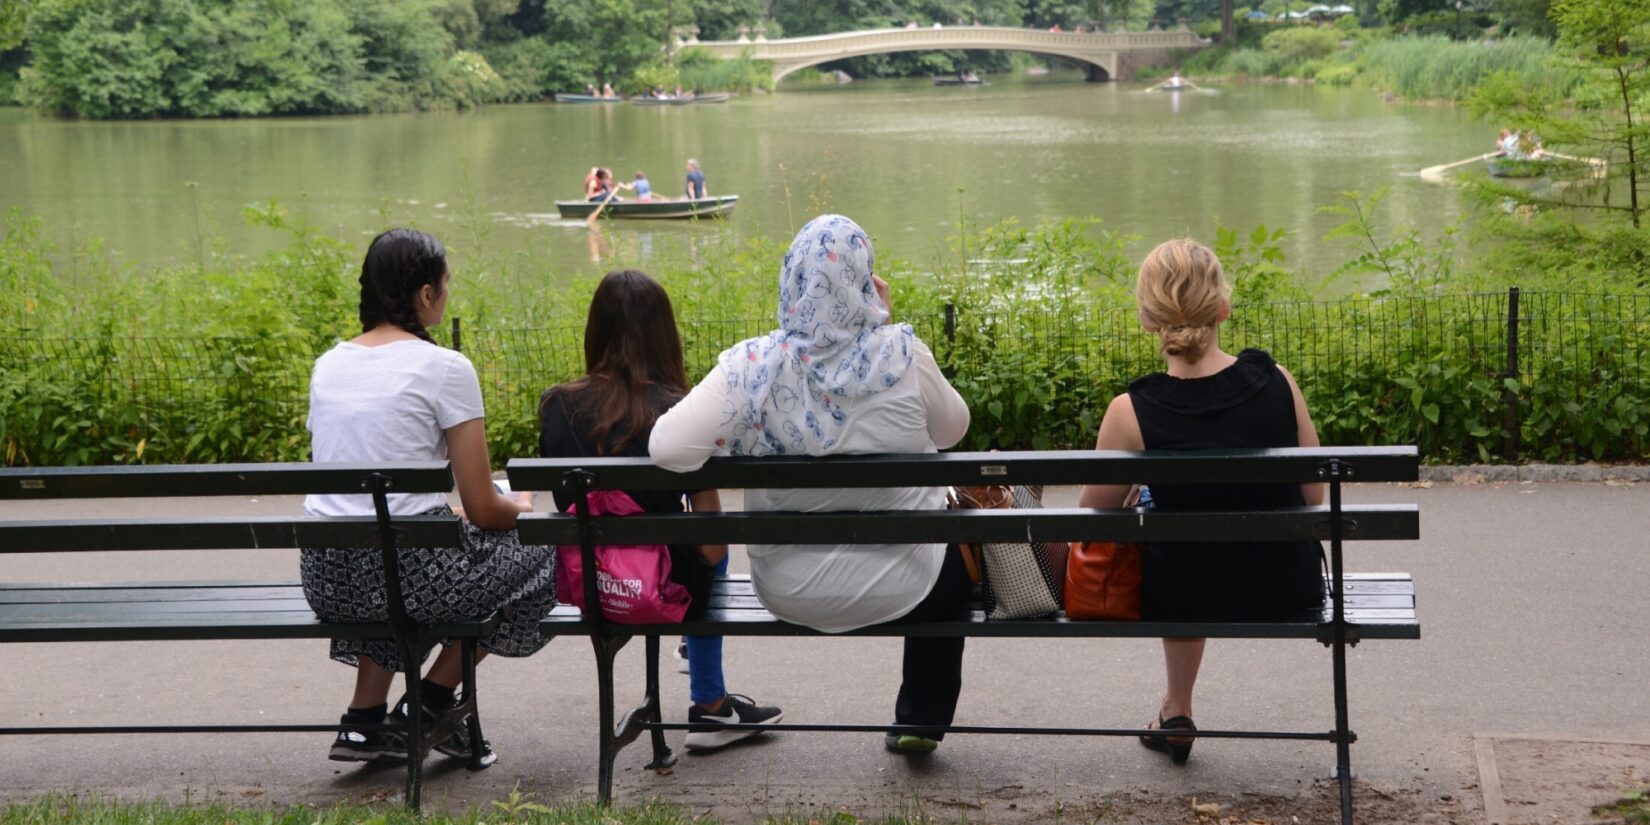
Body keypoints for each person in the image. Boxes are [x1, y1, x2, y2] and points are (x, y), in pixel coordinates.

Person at [649, 214, 972, 755]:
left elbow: (666, 448)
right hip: (910, 588)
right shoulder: (903, 355)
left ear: (791, 283)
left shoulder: (750, 367)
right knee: (956, 542)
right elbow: (953, 430)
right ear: (865, 281)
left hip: (789, 589)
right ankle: (921, 717)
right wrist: (881, 327)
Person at [300, 228, 555, 766]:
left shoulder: (328, 365)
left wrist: (453, 513)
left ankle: (364, 721)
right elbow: (486, 509)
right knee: (548, 555)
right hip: (409, 573)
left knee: (395, 553)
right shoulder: (444, 368)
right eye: (445, 284)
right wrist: (521, 507)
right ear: (424, 295)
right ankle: (430, 704)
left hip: (328, 577)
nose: (446, 293)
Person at [1077, 238, 1325, 766]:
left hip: (1185, 592)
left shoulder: (1132, 409)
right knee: (1187, 546)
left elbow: (1092, 514)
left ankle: (1177, 711)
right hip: (1286, 584)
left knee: (1179, 550)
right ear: (1223, 308)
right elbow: (1314, 491)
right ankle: (1175, 709)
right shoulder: (1275, 380)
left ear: (1148, 320)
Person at [538, 270, 783, 750]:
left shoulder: (556, 407)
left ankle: (697, 664)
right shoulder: (679, 410)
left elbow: (569, 504)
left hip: (591, 581)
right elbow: (712, 548)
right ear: (663, 334)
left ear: (596, 330)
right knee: (714, 553)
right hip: (662, 585)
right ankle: (710, 706)